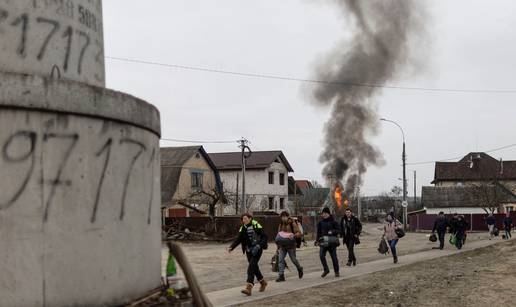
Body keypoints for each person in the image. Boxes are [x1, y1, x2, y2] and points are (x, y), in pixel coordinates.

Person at [228, 213, 268, 296]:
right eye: (243, 219)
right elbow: (239, 239)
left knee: (251, 266)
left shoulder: (256, 225)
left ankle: (249, 287)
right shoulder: (243, 228)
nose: (244, 220)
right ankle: (263, 282)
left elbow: (265, 237)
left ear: (250, 218)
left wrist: (259, 245)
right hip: (248, 251)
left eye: (245, 218)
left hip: (257, 249)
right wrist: (232, 247)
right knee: (254, 267)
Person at [275, 211, 304, 282]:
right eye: (282, 217)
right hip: (283, 246)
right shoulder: (281, 224)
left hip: (291, 245)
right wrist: (278, 247)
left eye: (285, 216)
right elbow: (279, 235)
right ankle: (281, 275)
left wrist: (294, 235)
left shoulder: (292, 223)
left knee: (293, 259)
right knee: (280, 260)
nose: (283, 218)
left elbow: (299, 233)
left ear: (288, 216)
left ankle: (299, 268)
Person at [316, 207, 341, 277]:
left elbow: (339, 230)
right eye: (322, 214)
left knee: (334, 257)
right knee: (321, 256)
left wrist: (332, 231)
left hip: (332, 242)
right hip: (323, 242)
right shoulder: (320, 223)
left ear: (328, 214)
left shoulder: (334, 222)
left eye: (325, 213)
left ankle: (337, 271)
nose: (323, 215)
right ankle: (326, 269)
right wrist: (317, 240)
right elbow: (318, 233)